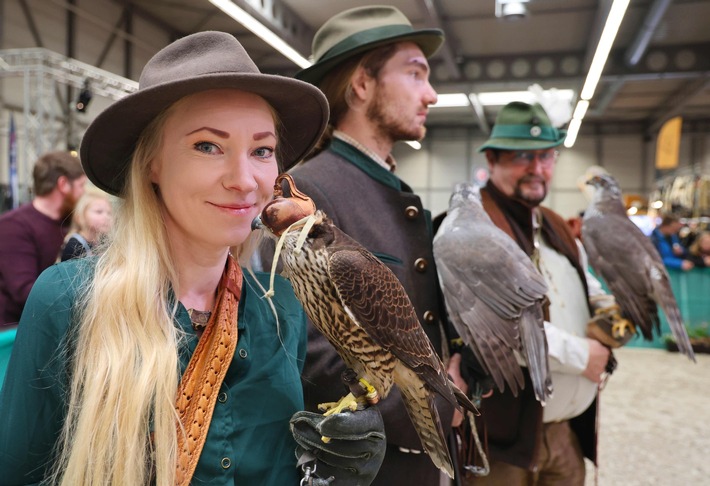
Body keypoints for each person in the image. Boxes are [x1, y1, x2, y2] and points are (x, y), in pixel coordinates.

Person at [0, 31, 386, 486]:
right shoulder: (68, 300)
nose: (245, 180)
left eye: (262, 150)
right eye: (208, 146)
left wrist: (326, 470)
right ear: (152, 165)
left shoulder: (283, 307)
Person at [278, 6, 461, 485]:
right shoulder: (307, 194)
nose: (432, 94)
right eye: (416, 74)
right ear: (361, 85)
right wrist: (431, 408)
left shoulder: (390, 186)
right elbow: (309, 348)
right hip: (371, 466)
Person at [472, 101, 618, 485]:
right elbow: (500, 331)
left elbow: (588, 286)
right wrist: (586, 354)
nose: (538, 169)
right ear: (493, 159)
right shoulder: (474, 230)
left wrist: (612, 312)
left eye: (547, 156)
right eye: (523, 156)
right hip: (503, 440)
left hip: (565, 433)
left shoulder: (555, 223)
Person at [0, 151, 86, 326]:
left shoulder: (72, 222)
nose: (83, 193)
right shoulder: (14, 226)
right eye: (81, 186)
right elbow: (25, 292)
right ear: (63, 184)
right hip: (18, 333)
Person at [60, 187, 113, 261]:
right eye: (99, 211)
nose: (106, 217)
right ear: (80, 217)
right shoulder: (74, 245)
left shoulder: (102, 242)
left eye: (109, 213)